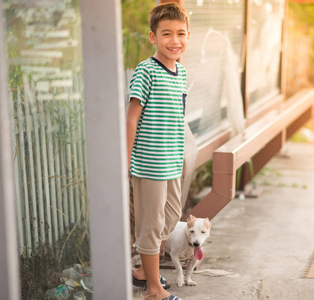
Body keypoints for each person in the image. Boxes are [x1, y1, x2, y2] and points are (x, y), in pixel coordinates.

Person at [126, 3, 189, 300]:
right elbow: (132, 117)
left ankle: (141, 272)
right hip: (150, 163)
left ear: (188, 36)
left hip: (172, 161)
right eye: (166, 34)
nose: (174, 40)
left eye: (180, 33)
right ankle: (154, 289)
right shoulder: (146, 71)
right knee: (151, 226)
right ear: (153, 37)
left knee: (171, 216)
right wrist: (124, 159)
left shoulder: (181, 72)